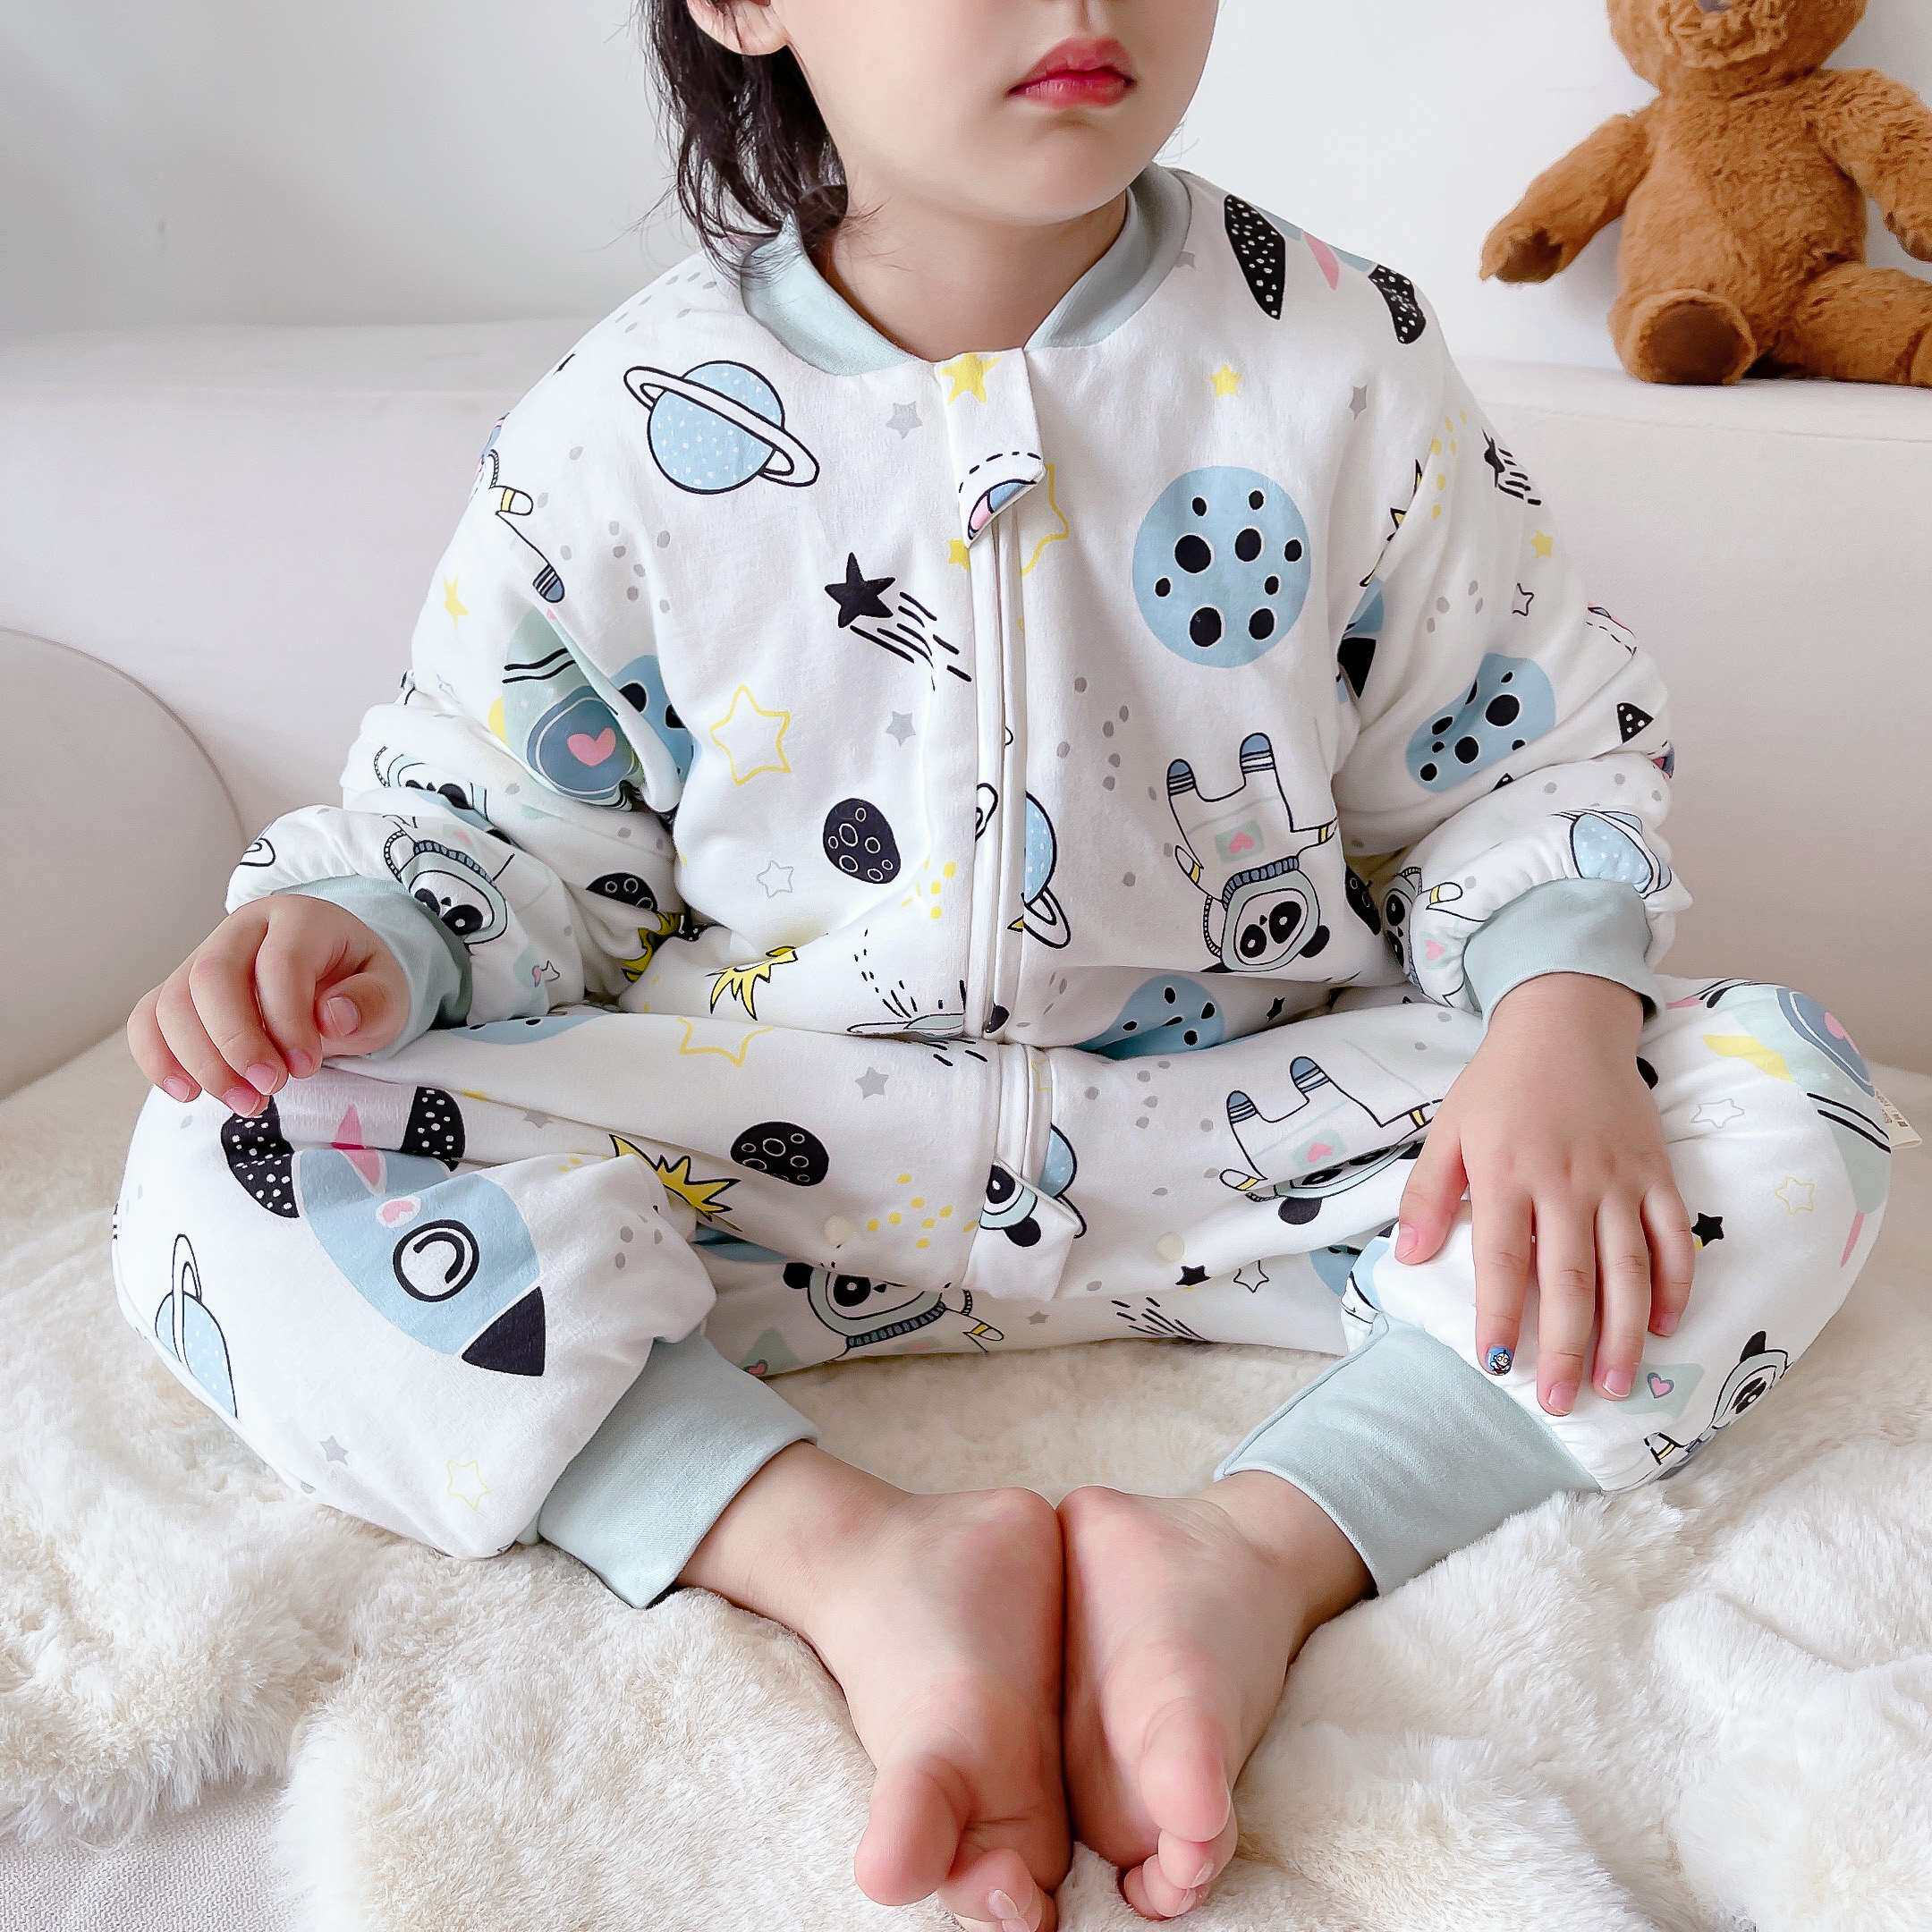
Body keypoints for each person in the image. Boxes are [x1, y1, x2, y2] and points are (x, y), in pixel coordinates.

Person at [114, 4, 1894, 1926]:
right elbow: (510, 831)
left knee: (1783, 1102)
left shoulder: (1337, 350)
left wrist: (1553, 1022)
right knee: (235, 1148)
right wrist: (367, 939)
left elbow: (1513, 758)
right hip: (769, 1163)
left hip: (1265, 1146)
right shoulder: (624, 421)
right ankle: (849, 1559)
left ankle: (1249, 1555)